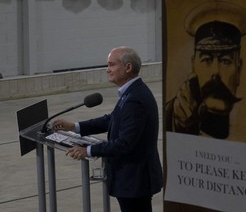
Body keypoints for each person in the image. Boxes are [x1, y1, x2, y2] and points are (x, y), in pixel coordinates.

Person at [52, 46, 163, 212]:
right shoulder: (132, 92)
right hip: (134, 179)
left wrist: (88, 150)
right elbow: (112, 119)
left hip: (135, 179)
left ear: (128, 67)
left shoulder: (135, 99)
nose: (107, 69)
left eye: (111, 65)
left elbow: (125, 143)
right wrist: (75, 127)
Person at [166, 1, 246, 139]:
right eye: (206, 59)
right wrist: (178, 121)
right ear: (193, 65)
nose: (215, 72)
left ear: (239, 70)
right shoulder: (175, 114)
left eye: (225, 61)